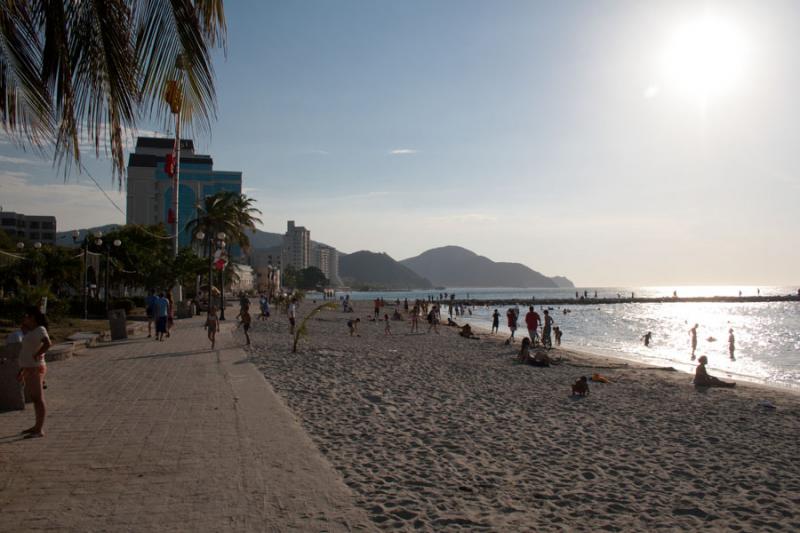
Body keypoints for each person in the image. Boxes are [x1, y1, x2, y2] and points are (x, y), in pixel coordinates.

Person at [18, 307, 52, 438]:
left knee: (38, 398)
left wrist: (37, 355)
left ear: (32, 317)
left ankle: (39, 429)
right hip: (28, 367)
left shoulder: (40, 329)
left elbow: (48, 344)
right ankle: (36, 426)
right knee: (34, 398)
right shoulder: (32, 331)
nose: (24, 318)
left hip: (35, 368)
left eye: (26, 316)